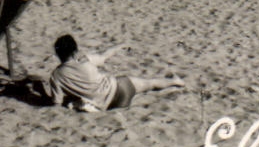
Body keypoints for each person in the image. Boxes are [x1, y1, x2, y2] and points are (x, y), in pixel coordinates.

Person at [46, 35, 183, 112]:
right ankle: (174, 81)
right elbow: (104, 56)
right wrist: (119, 46)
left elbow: (56, 103)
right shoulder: (84, 60)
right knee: (150, 84)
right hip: (120, 88)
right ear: (75, 51)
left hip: (109, 105)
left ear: (58, 54)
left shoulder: (56, 76)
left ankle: (172, 82)